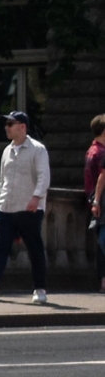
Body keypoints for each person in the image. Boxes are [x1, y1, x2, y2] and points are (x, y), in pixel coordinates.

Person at [0, 110, 49, 302]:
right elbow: (3, 179)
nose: (6, 128)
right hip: (6, 207)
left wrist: (36, 197)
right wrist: (0, 200)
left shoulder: (37, 149)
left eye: (10, 124)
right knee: (0, 245)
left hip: (29, 208)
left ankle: (40, 289)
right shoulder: (7, 150)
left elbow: (43, 176)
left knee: (34, 248)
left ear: (22, 127)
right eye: (6, 124)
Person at [85, 114, 105, 294]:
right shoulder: (101, 152)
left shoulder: (92, 150)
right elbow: (102, 176)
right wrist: (97, 200)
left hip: (93, 200)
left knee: (101, 243)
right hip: (100, 202)